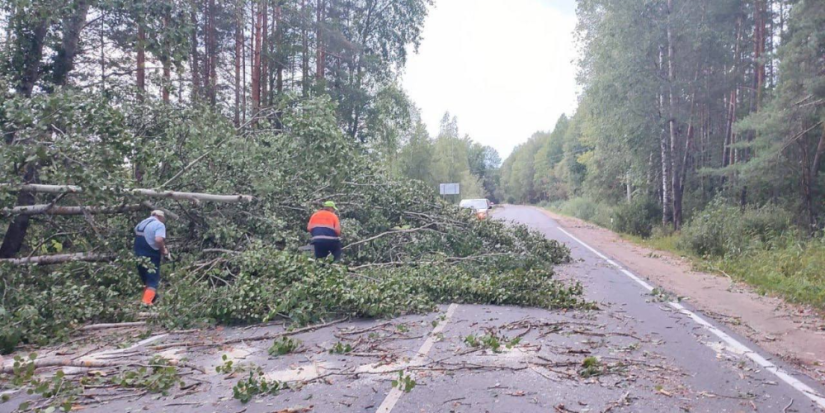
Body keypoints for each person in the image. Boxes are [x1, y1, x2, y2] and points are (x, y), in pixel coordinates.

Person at [134, 210, 170, 305]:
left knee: (146, 280)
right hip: (151, 255)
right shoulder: (159, 225)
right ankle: (146, 304)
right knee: (152, 281)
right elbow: (158, 239)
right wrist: (163, 250)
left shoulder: (142, 223)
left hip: (138, 255)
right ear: (160, 217)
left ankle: (150, 299)